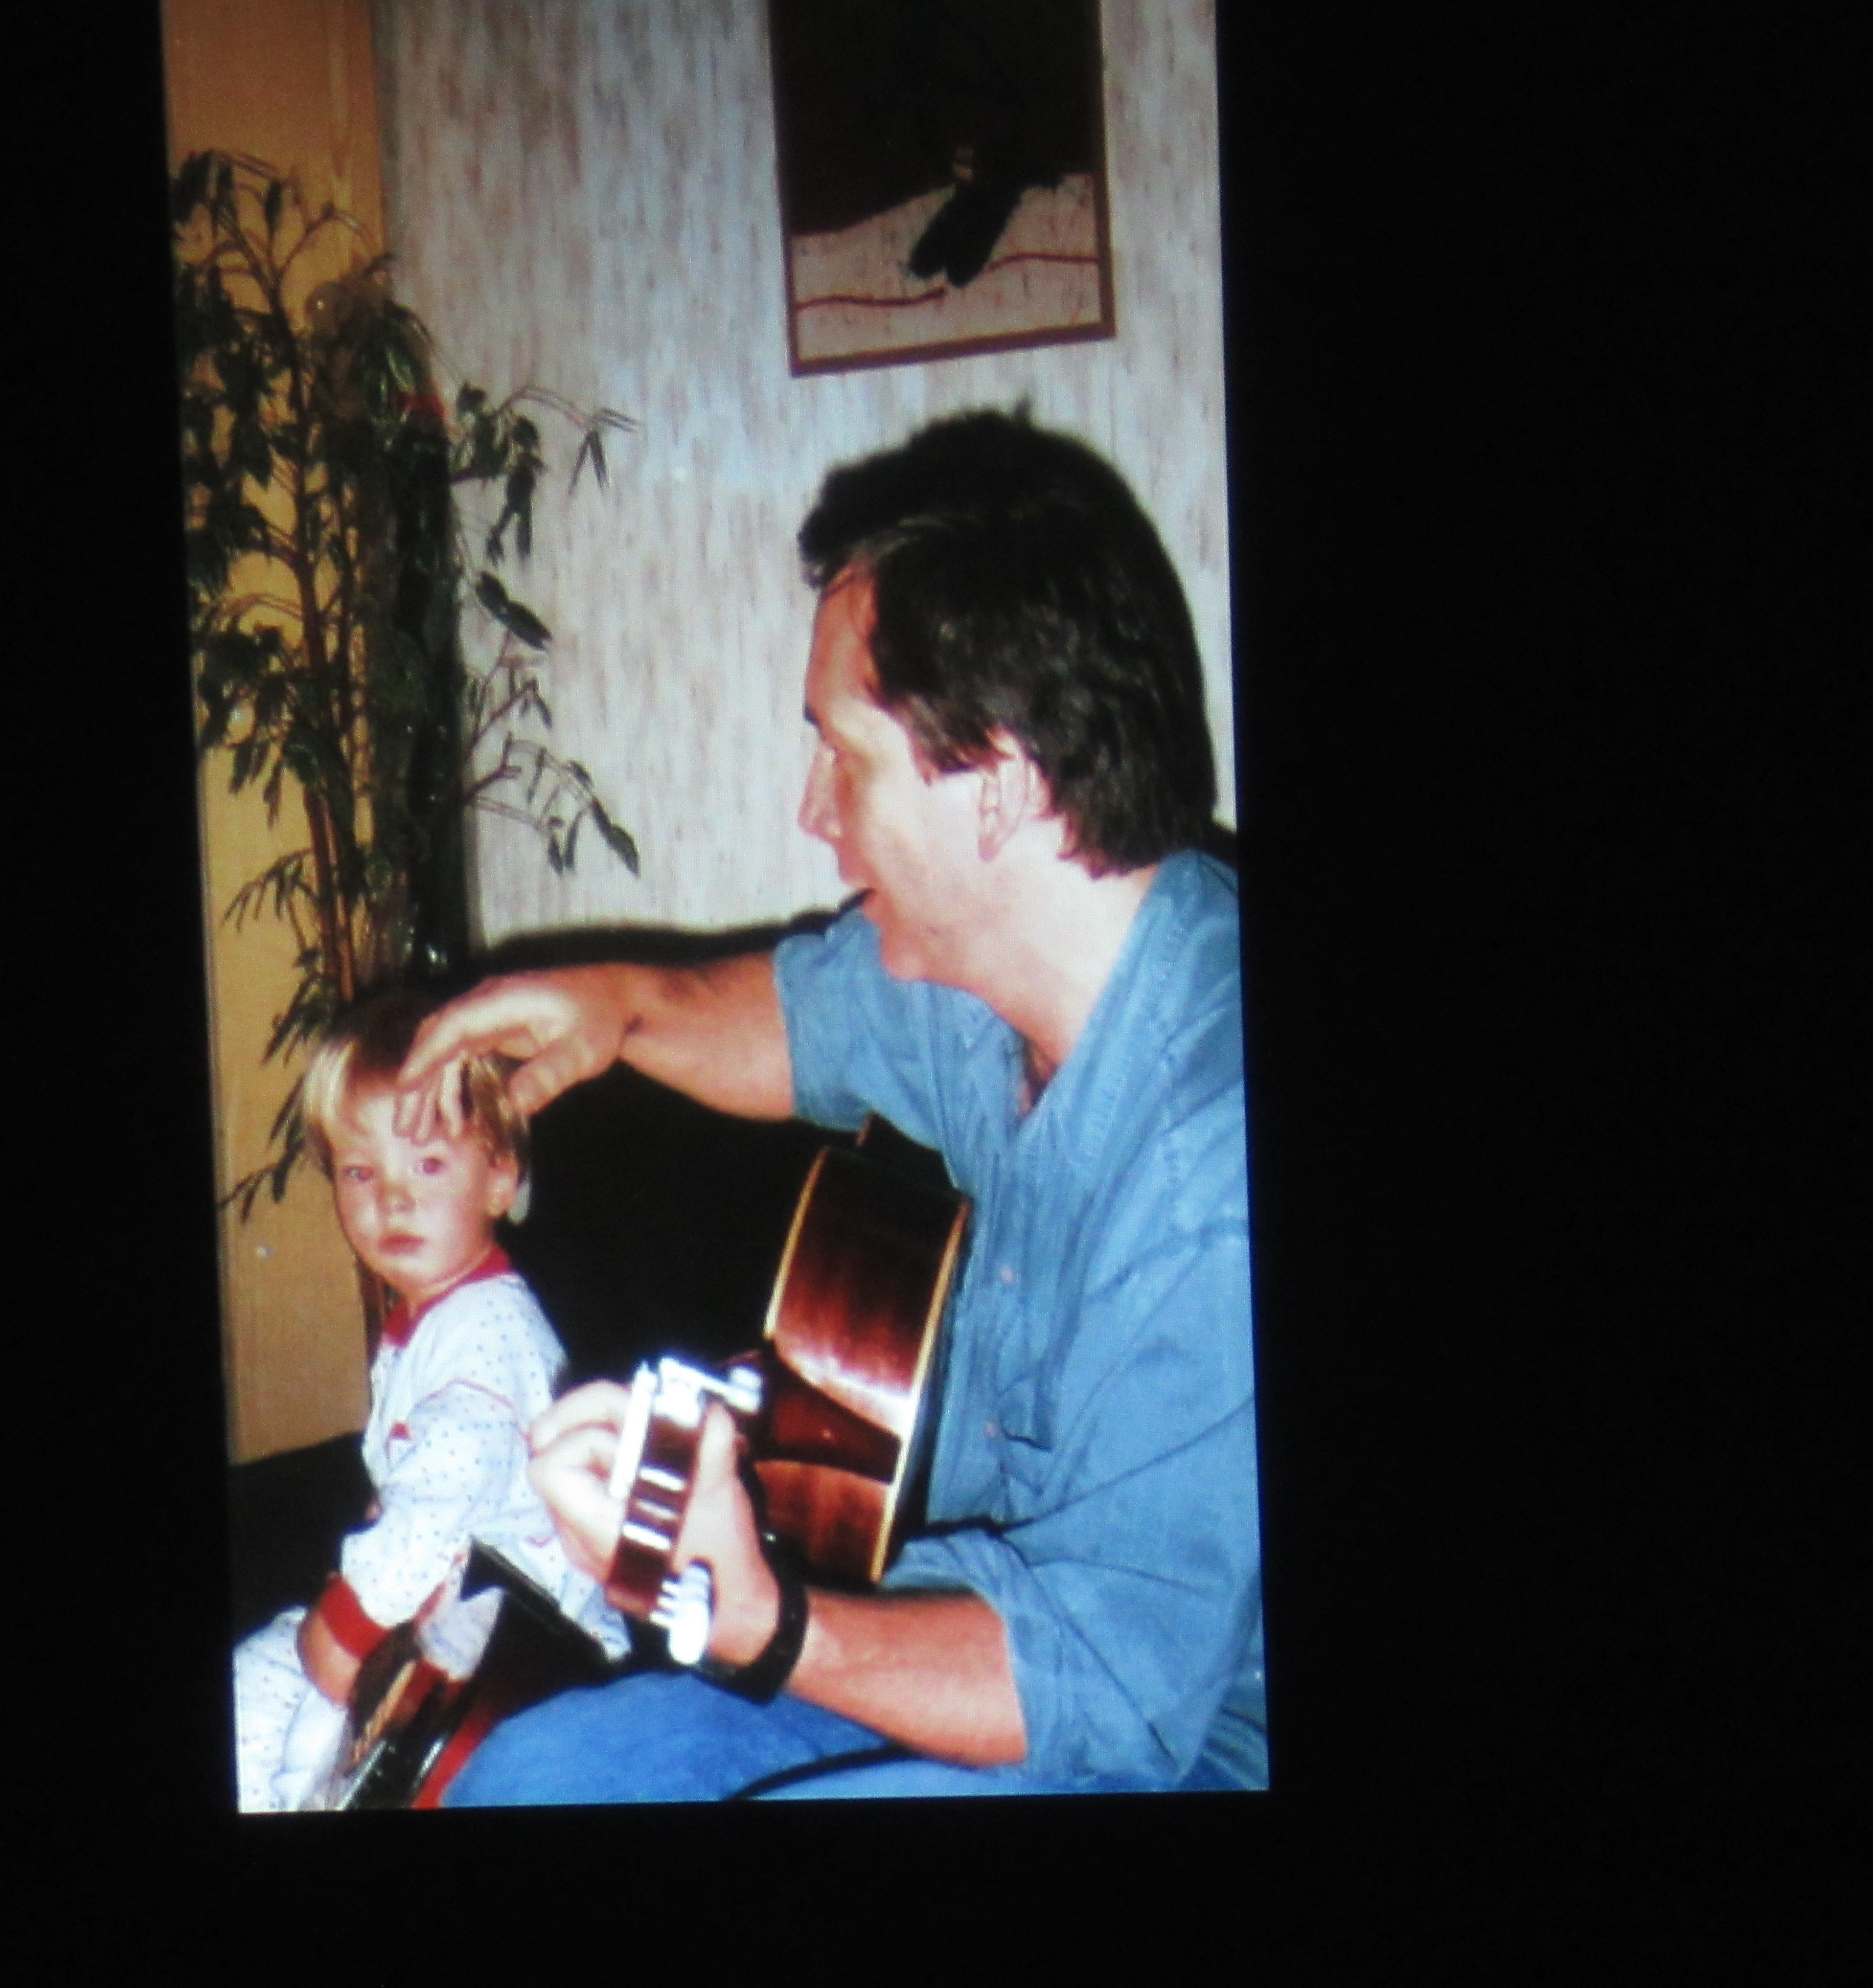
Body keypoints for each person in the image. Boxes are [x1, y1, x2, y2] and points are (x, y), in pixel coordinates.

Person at [395, 410, 1265, 1800]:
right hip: (962, 1639)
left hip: (1176, 1739)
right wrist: (619, 1005)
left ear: (998, 787)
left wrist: (763, 1621)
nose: (814, 810)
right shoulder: (985, 980)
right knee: (533, 1777)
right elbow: (803, 1014)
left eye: (843, 756)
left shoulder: (1213, 1166)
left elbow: (1106, 1694)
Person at [231, 990, 628, 1813]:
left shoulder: (484, 1330)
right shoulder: (438, 1319)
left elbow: (449, 1486)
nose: (393, 1199)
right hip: (448, 1609)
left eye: (429, 1165)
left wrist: (345, 1627)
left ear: (501, 1177)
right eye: (360, 1171)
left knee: (280, 1700)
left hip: (519, 1647)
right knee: (262, 1686)